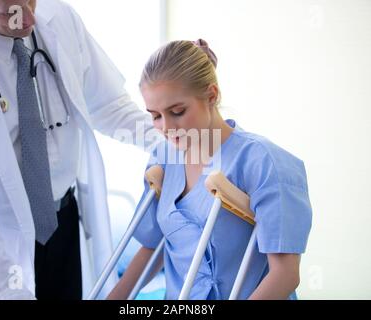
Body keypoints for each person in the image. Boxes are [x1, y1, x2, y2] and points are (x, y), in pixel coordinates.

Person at [0, 0, 155, 300]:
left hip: (63, 224)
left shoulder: (59, 17)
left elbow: (109, 106)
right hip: (1, 241)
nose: (29, 17)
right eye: (11, 10)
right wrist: (6, 292)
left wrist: (184, 142)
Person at [107, 39, 313, 300]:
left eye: (177, 111)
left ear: (212, 95)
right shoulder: (163, 158)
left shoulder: (263, 162)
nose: (166, 127)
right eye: (156, 115)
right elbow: (154, 246)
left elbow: (285, 275)